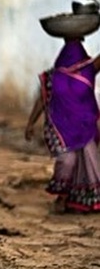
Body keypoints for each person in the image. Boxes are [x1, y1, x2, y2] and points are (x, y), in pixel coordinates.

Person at [25, 38, 100, 213]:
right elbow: (42, 100)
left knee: (89, 161)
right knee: (67, 161)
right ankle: (63, 196)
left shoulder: (88, 71)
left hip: (84, 126)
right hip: (60, 127)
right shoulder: (53, 77)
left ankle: (80, 200)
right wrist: (31, 122)